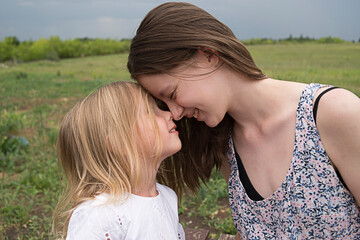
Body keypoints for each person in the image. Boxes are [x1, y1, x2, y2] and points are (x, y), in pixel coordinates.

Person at [127, 2, 360, 239]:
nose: (175, 114)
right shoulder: (224, 145)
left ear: (208, 55)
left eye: (172, 94)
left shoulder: (333, 113)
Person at [52, 81, 185, 240]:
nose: (168, 114)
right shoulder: (100, 215)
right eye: (151, 111)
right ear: (119, 142)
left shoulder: (167, 196)